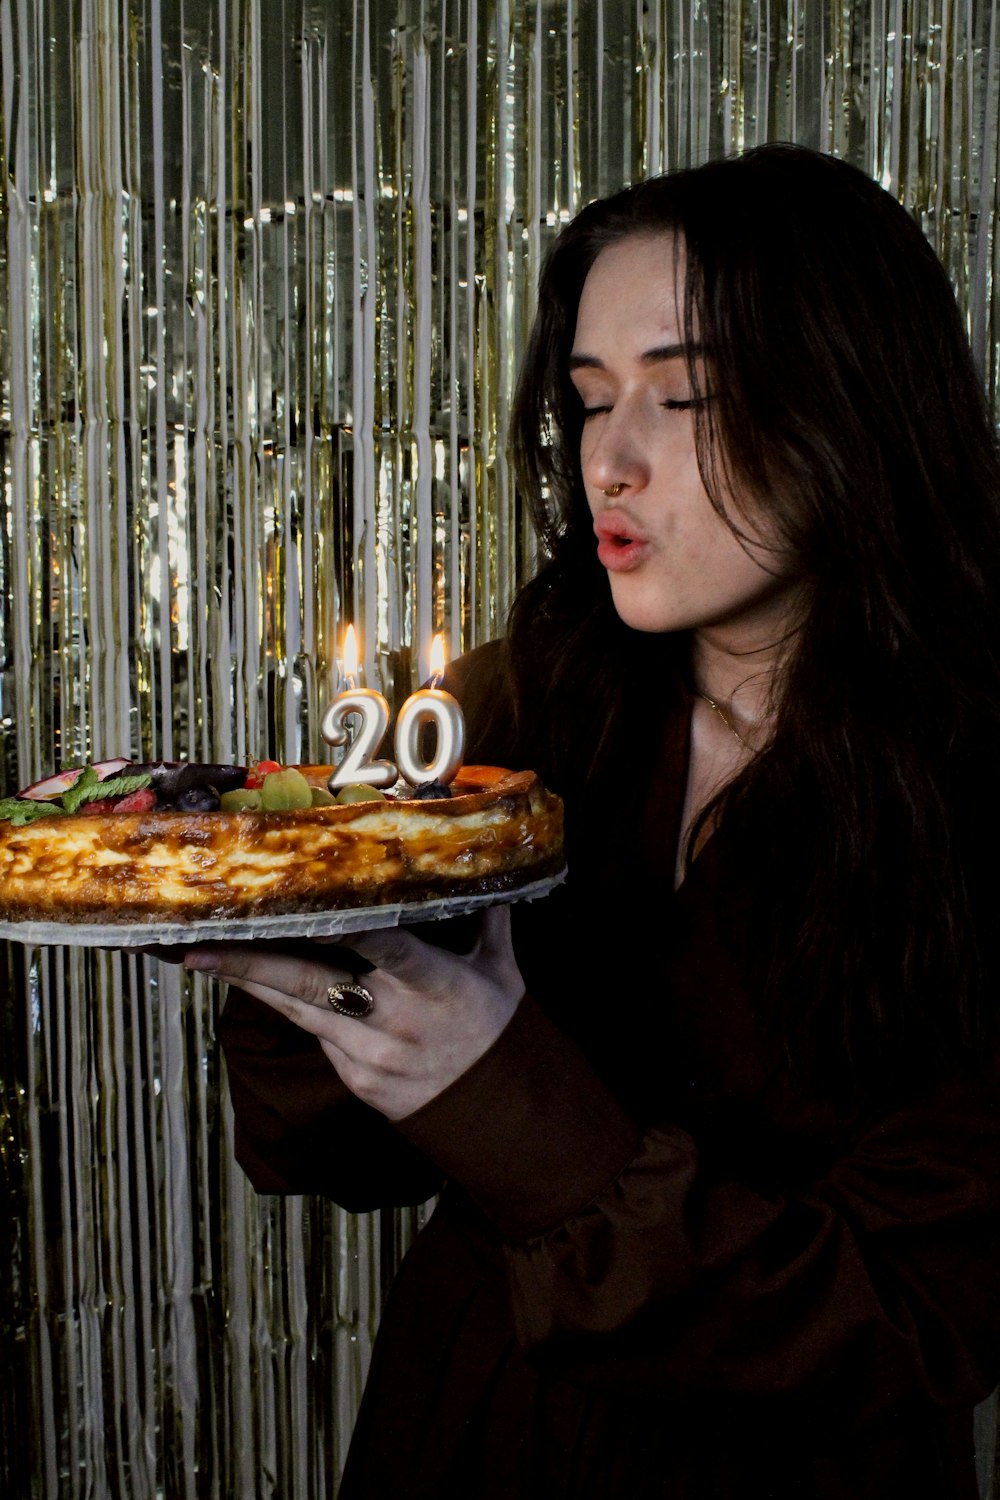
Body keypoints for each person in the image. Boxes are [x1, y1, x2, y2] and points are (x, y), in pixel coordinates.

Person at [191, 144, 1000, 1496]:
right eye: (587, 399)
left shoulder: (970, 794)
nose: (609, 462)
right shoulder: (519, 712)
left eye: (684, 397)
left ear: (856, 404)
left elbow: (905, 1326)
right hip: (463, 1438)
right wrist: (269, 911)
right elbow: (316, 1154)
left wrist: (502, 1084)